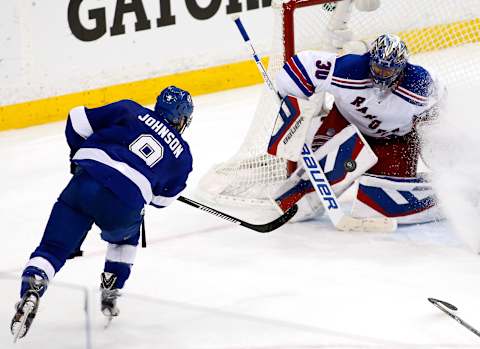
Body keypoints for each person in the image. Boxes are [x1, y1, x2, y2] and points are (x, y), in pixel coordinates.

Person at [11, 86, 194, 340]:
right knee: (125, 239)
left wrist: (79, 157)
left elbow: (76, 120)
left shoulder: (130, 110)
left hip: (84, 184)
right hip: (123, 205)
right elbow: (162, 201)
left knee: (52, 248)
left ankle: (32, 289)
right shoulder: (183, 155)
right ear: (182, 119)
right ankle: (111, 291)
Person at [273, 33, 445, 224]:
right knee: (324, 163)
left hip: (394, 140)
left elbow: (442, 118)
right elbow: (302, 65)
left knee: (383, 199)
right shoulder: (349, 68)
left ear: (401, 69)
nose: (380, 75)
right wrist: (290, 106)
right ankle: (300, 196)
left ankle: (445, 194)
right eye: (377, 67)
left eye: (387, 71)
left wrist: (437, 152)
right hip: (344, 124)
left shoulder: (420, 85)